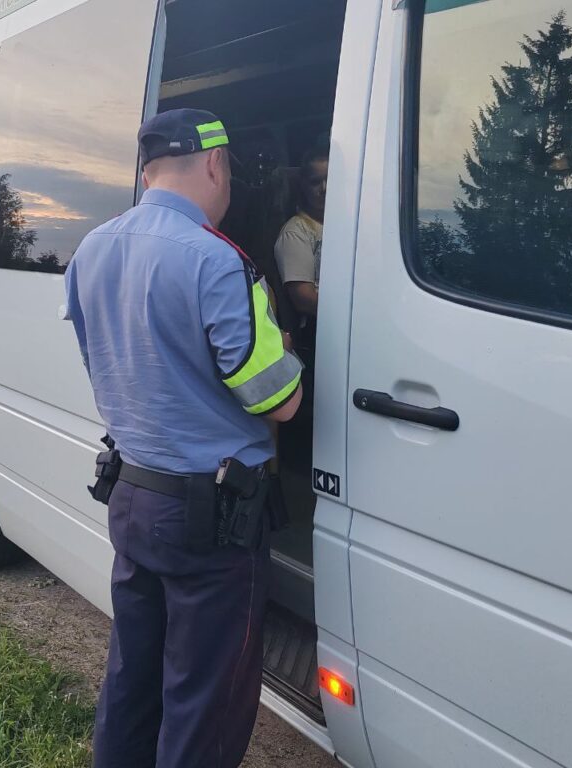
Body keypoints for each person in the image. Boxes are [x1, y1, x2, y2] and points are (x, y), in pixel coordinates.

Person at [64, 108, 303, 768]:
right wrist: (287, 349)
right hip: (210, 521)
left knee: (133, 678)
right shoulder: (219, 261)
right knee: (205, 704)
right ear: (216, 164)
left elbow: (103, 361)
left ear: (147, 172)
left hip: (132, 495)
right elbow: (279, 402)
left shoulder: (92, 249)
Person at [274, 143, 329, 327]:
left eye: (330, 179)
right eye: (315, 182)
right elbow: (304, 299)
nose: (324, 188)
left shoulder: (349, 225)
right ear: (304, 186)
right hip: (322, 327)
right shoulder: (296, 232)